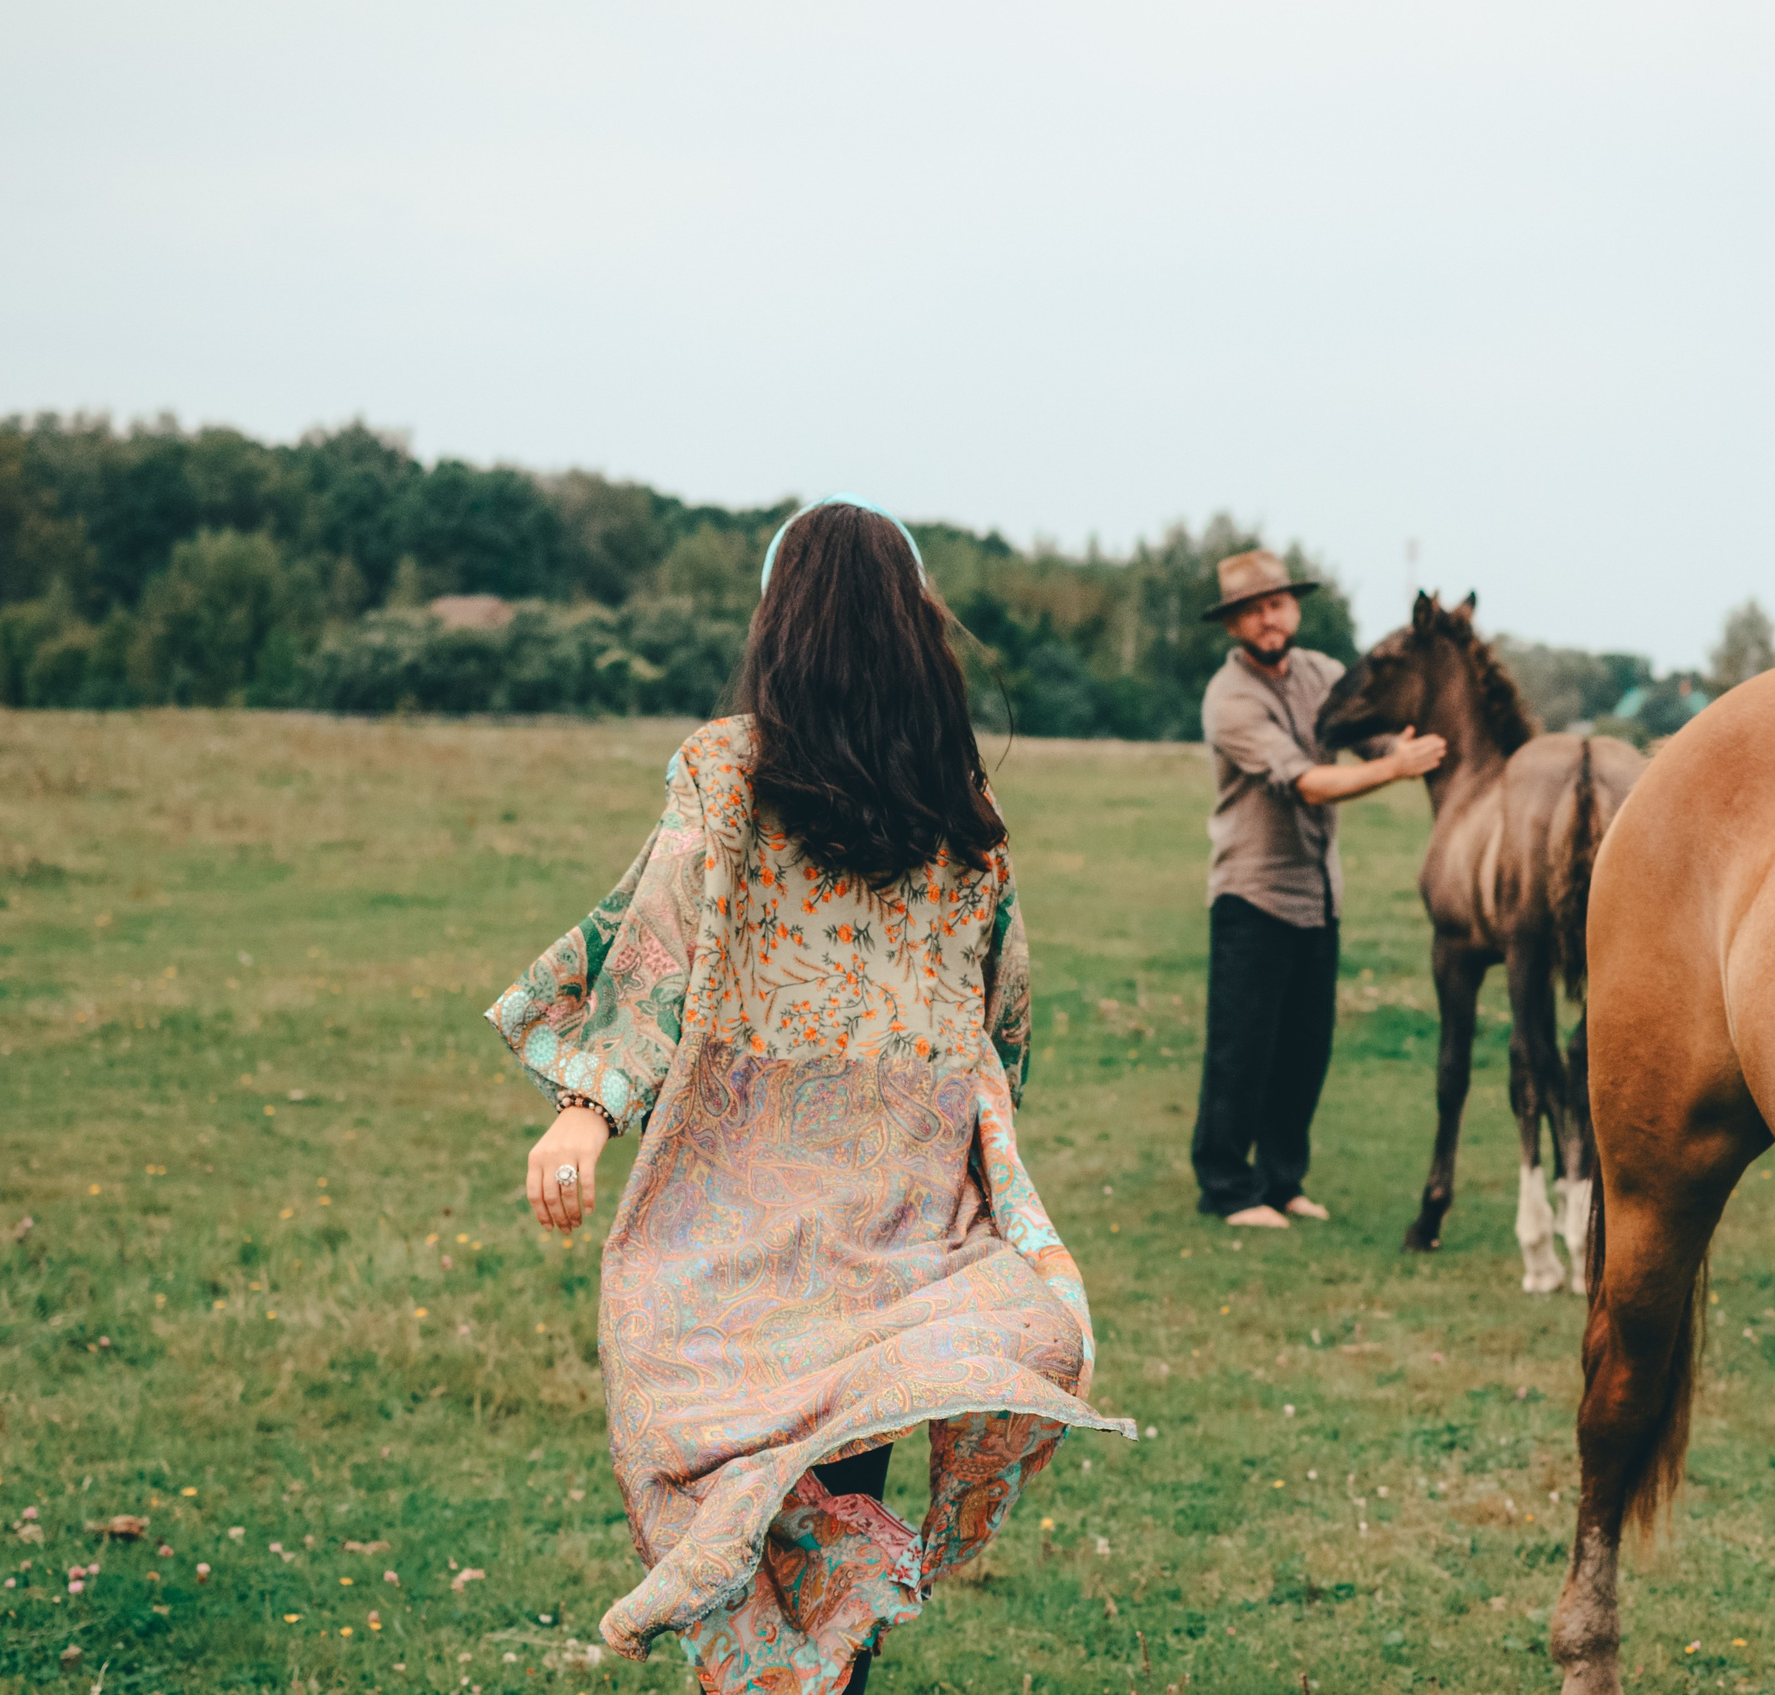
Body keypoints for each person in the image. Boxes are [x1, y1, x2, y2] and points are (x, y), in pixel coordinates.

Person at [490, 496, 1129, 1695]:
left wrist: (585, 1110)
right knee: (843, 1456)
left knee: (726, 1450)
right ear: (916, 620)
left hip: (735, 1203)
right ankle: (824, 1649)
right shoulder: (960, 811)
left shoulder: (728, 770)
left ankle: (772, 1644)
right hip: (898, 1213)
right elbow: (1002, 1012)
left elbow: (657, 944)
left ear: (776, 618)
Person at [1191, 549, 1446, 1227]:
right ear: (1233, 625)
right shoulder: (1230, 698)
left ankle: (1282, 1182)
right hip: (1252, 894)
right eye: (1251, 610)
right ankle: (1226, 1187)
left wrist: (1408, 743)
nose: (1267, 619)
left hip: (1319, 894)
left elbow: (1372, 736)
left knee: (1305, 1050)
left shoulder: (1324, 674)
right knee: (1242, 1049)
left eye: (1275, 604)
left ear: (1294, 609)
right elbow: (1306, 783)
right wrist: (1395, 770)